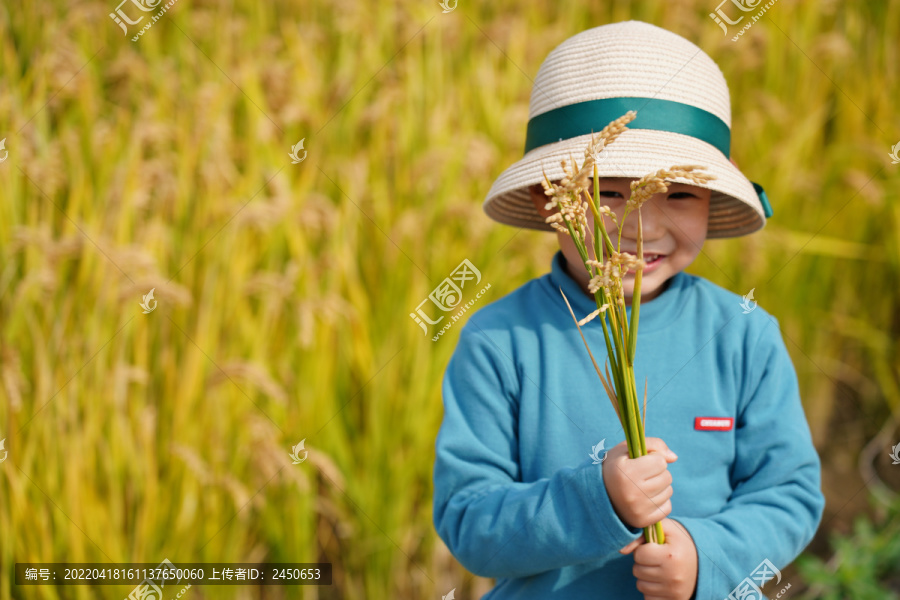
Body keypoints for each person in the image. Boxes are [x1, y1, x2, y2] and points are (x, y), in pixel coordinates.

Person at [432, 20, 824, 600]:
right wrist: (598, 500)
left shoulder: (743, 334)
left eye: (681, 193)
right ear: (550, 199)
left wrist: (704, 556)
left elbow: (788, 493)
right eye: (609, 193)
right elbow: (468, 520)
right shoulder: (501, 340)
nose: (643, 227)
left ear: (712, 201)